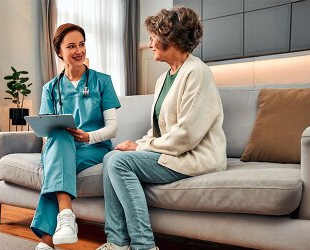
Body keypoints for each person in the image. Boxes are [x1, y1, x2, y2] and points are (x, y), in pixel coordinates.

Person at [96, 6, 227, 250]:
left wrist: (140, 147)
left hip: (193, 156)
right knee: (111, 157)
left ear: (171, 38)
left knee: (118, 162)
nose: (150, 42)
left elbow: (186, 135)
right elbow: (159, 130)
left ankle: (144, 246)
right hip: (170, 152)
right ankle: (117, 243)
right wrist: (139, 144)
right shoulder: (163, 78)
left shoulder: (197, 73)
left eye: (154, 36)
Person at [32, 23, 122, 250]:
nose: (79, 50)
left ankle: (47, 240)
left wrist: (88, 136)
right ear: (60, 52)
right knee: (59, 136)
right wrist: (48, 147)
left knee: (57, 169)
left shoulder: (102, 81)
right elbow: (46, 131)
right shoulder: (50, 88)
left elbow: (112, 128)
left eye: (81, 44)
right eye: (71, 46)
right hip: (60, 147)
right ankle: (65, 217)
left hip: (94, 147)